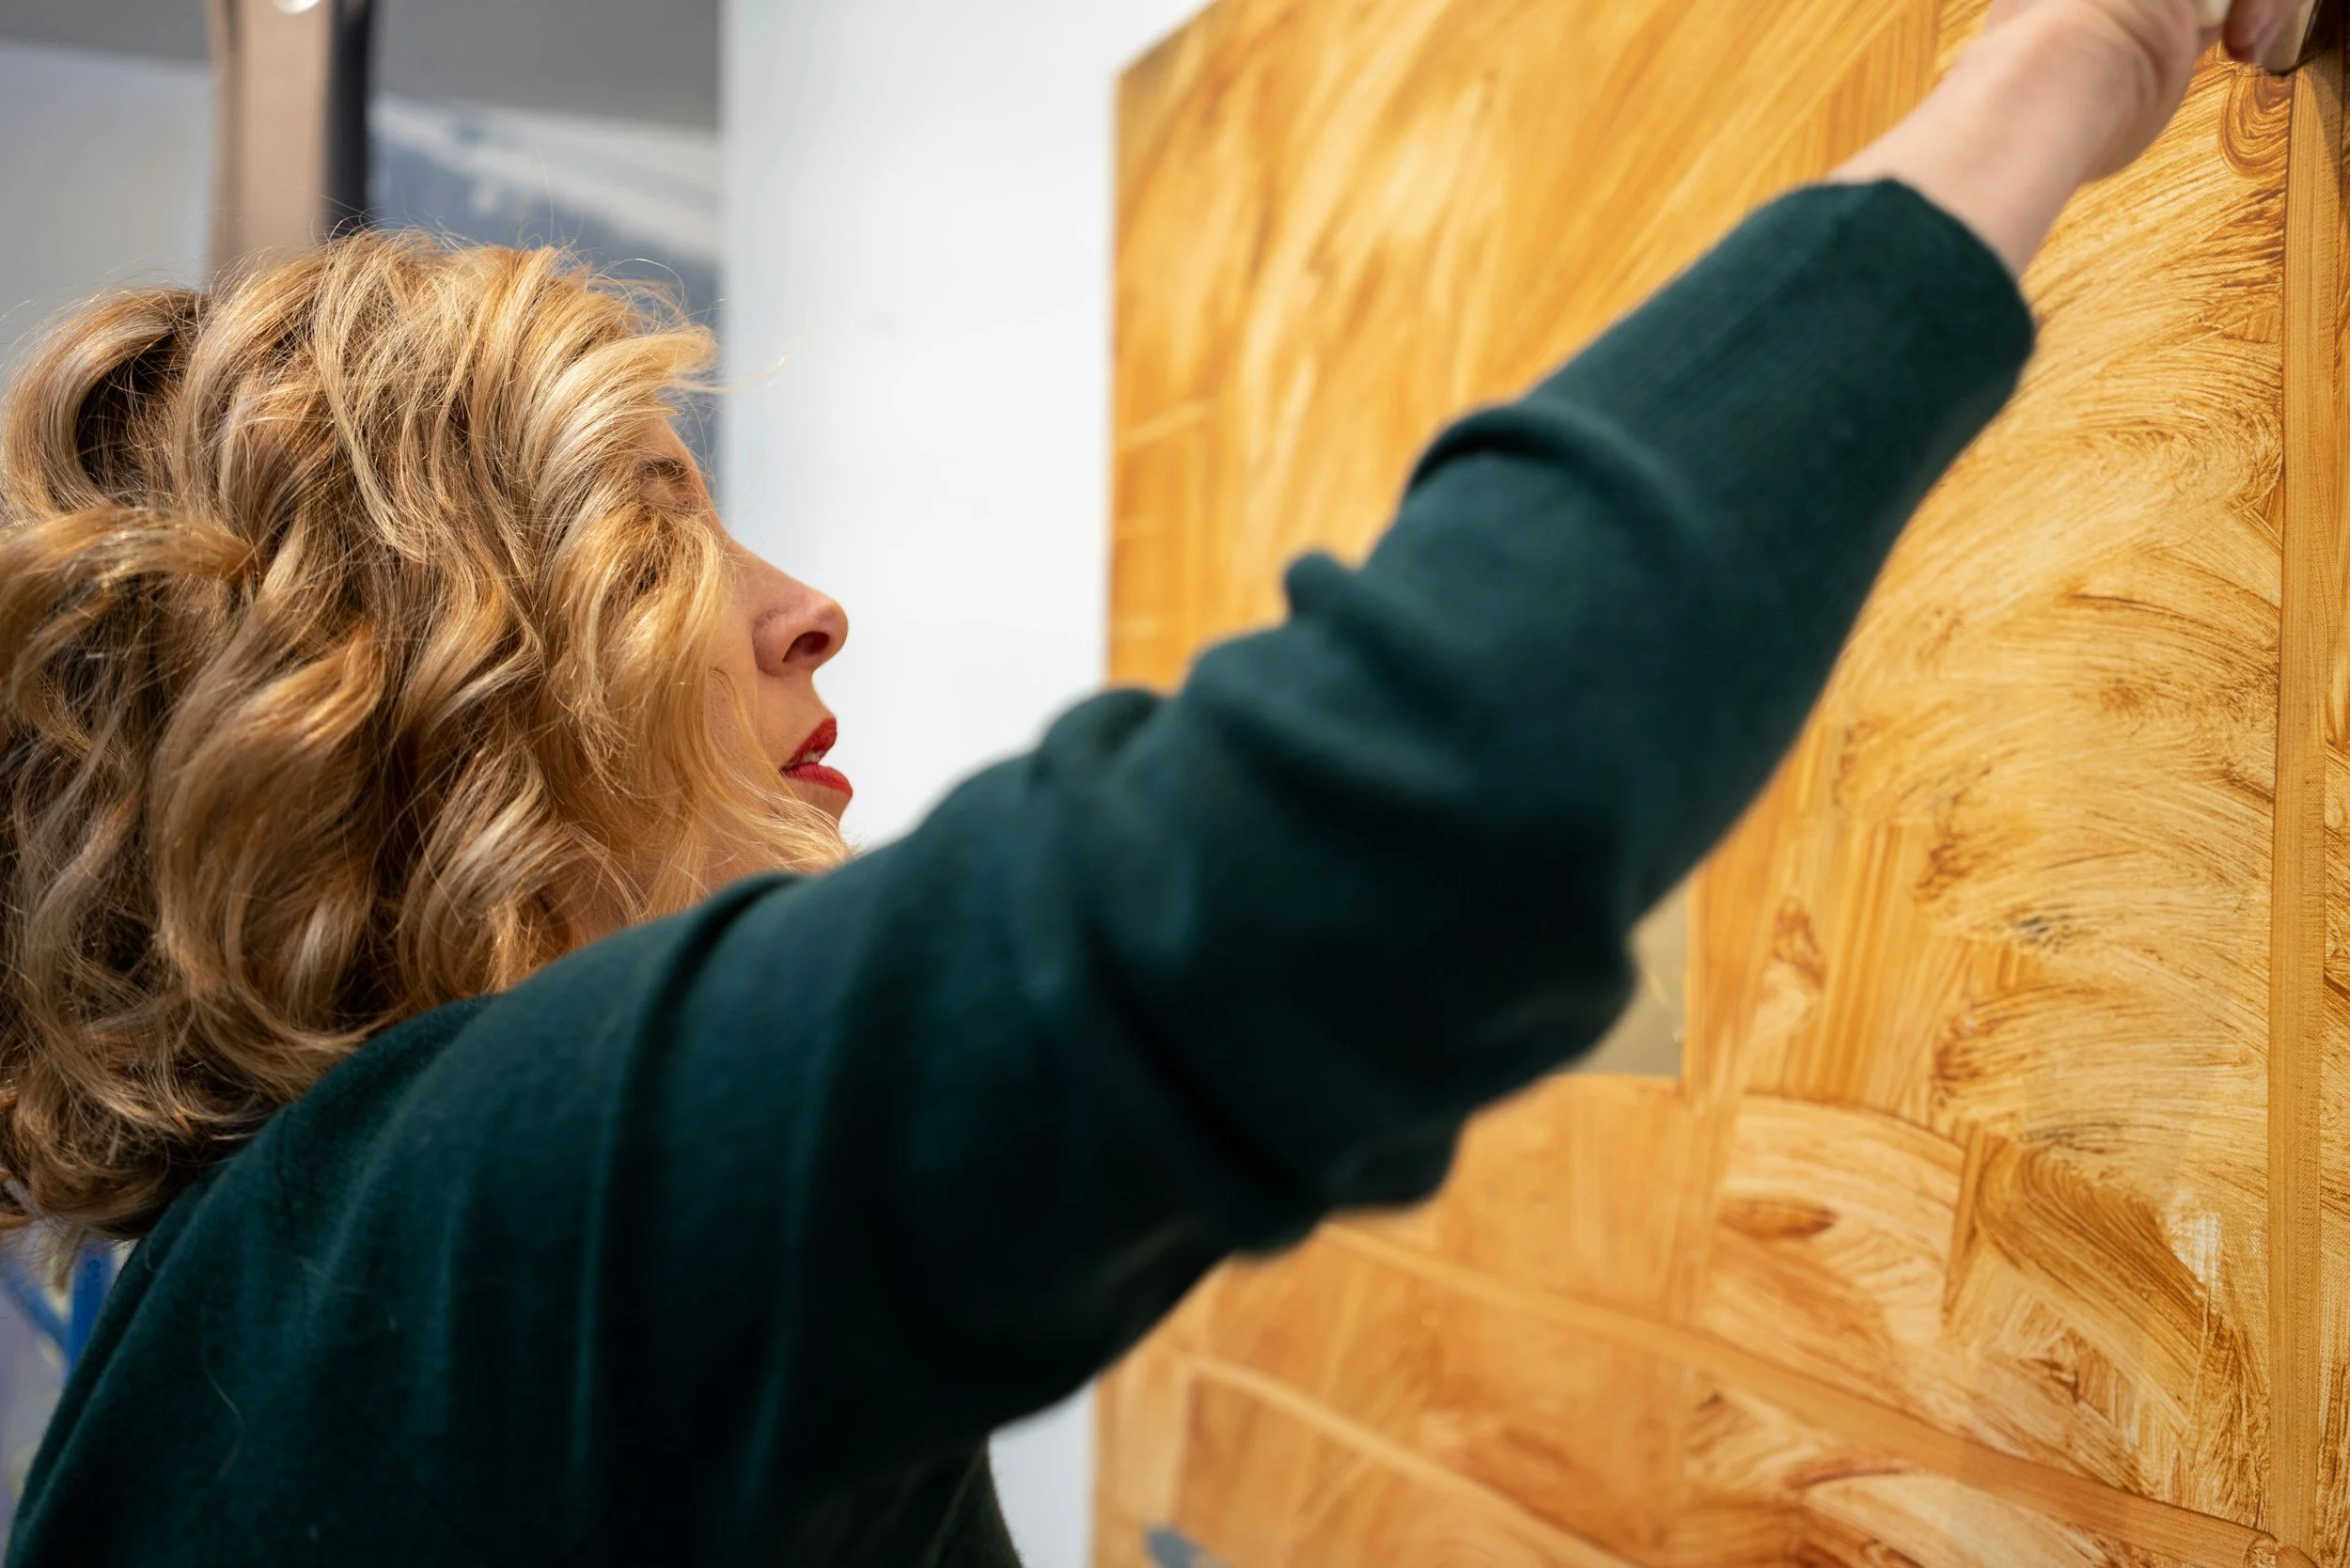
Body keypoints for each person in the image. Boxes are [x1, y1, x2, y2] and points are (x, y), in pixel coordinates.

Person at [0, 0, 2297, 1562]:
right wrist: (2066, 58)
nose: (805, 608)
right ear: (404, 711)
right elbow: (1400, 812)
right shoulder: (452, 1224)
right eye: (652, 530)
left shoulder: (245, 1302)